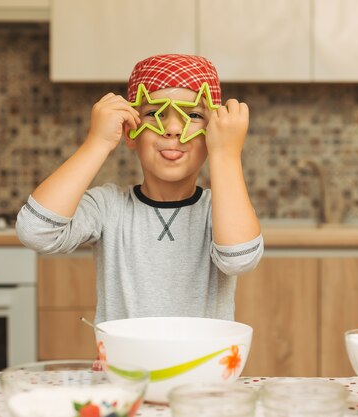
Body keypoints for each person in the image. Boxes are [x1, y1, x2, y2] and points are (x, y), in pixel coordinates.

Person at [16, 54, 264, 324]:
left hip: (203, 367)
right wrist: (97, 142)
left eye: (192, 115)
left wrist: (226, 155)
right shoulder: (108, 206)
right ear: (130, 132)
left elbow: (239, 260)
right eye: (155, 113)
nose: (172, 129)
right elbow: (35, 232)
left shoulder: (220, 213)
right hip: (124, 367)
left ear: (212, 134)